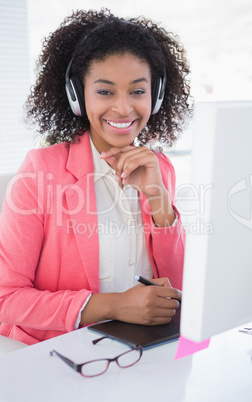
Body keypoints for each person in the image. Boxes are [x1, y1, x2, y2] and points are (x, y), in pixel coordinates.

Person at [0, 9, 192, 345]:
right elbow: (6, 299)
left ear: (156, 95)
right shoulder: (41, 171)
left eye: (137, 91)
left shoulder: (159, 168)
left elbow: (176, 291)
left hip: (143, 348)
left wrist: (160, 201)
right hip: (64, 353)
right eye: (105, 92)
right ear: (77, 96)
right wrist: (114, 306)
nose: (123, 108)